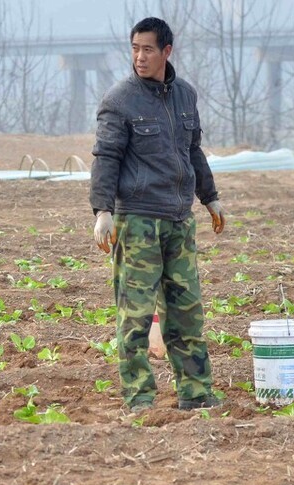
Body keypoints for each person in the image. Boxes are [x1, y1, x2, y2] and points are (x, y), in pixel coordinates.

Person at [90, 16, 227, 412]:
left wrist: (210, 197)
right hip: (137, 223)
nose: (140, 57)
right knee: (135, 317)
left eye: (148, 49)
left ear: (166, 51)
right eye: (134, 48)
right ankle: (140, 399)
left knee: (187, 314)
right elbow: (106, 158)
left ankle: (196, 393)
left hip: (178, 221)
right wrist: (103, 211)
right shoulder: (119, 100)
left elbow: (193, 151)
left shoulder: (185, 95)